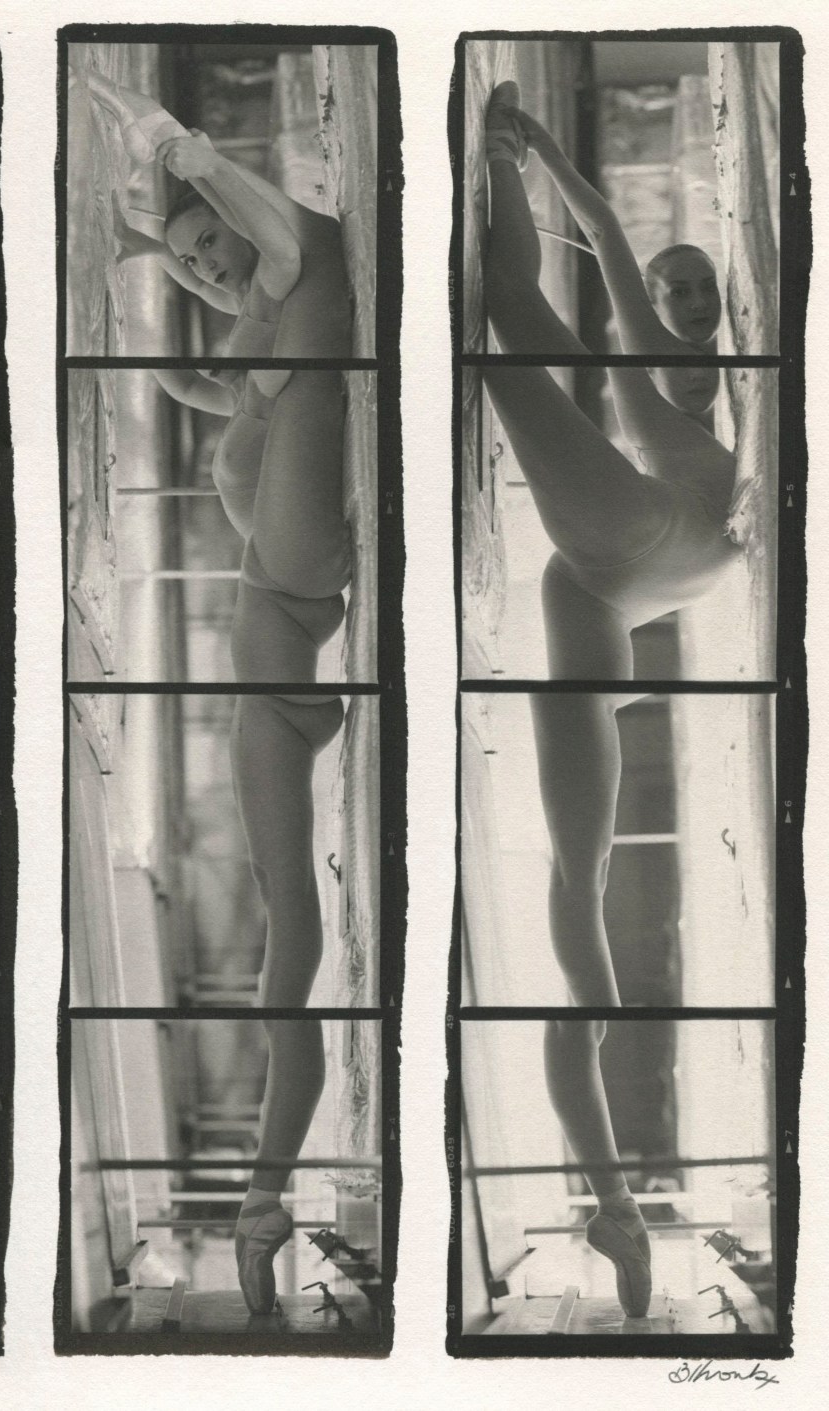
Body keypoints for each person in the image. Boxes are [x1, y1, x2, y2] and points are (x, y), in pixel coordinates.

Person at [84, 68, 355, 1317]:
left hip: (285, 621)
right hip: (279, 643)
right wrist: (143, 258)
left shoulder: (298, 281)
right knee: (284, 953)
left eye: (210, 249)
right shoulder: (262, 328)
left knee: (285, 959)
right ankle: (262, 1194)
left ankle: (266, 1192)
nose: (204, 268)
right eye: (191, 262)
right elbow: (206, 376)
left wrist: (175, 153)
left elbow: (289, 249)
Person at [478, 80, 748, 1319]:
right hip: (615, 571)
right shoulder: (658, 354)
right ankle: (611, 1202)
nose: (684, 300)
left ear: (729, 297)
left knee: (499, 326)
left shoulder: (753, 370)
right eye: (673, 283)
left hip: (652, 555)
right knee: (570, 886)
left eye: (700, 287)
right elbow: (599, 231)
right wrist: (531, 146)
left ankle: (474, 174)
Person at [482, 83, 723, 415]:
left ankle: (500, 154)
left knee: (515, 301)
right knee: (515, 299)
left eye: (708, 287)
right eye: (679, 293)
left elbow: (603, 232)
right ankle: (500, 153)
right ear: (653, 304)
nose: (700, 304)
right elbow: (601, 230)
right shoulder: (656, 349)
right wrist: (543, 147)